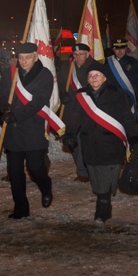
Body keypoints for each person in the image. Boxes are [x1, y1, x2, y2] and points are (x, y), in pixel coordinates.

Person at [63, 62, 138, 226]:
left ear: (105, 78)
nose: (93, 78)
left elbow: (126, 117)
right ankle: (105, 203)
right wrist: (69, 133)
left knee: (105, 179)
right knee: (96, 179)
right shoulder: (81, 95)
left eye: (97, 75)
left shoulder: (116, 94)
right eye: (91, 75)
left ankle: (101, 211)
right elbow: (74, 117)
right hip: (90, 145)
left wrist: (133, 137)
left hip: (111, 145)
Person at [0, 42, 55, 219]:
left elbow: (39, 102)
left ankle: (46, 187)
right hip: (13, 132)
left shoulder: (45, 75)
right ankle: (21, 208)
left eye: (28, 58)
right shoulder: (10, 73)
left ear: (36, 57)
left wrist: (16, 115)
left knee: (35, 167)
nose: (24, 61)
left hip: (33, 128)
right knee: (15, 172)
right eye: (21, 58)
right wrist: (3, 107)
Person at [61, 43, 98, 182]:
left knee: (88, 141)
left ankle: (90, 169)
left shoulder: (95, 67)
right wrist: (62, 93)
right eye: (75, 55)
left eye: (81, 54)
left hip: (90, 109)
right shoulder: (67, 66)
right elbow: (61, 82)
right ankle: (82, 171)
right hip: (72, 110)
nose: (78, 57)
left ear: (87, 54)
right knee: (75, 141)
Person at [105, 38, 138, 117]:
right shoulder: (107, 63)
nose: (120, 51)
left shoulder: (133, 62)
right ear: (113, 49)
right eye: (117, 49)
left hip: (127, 98)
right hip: (112, 98)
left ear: (126, 48)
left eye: (122, 48)